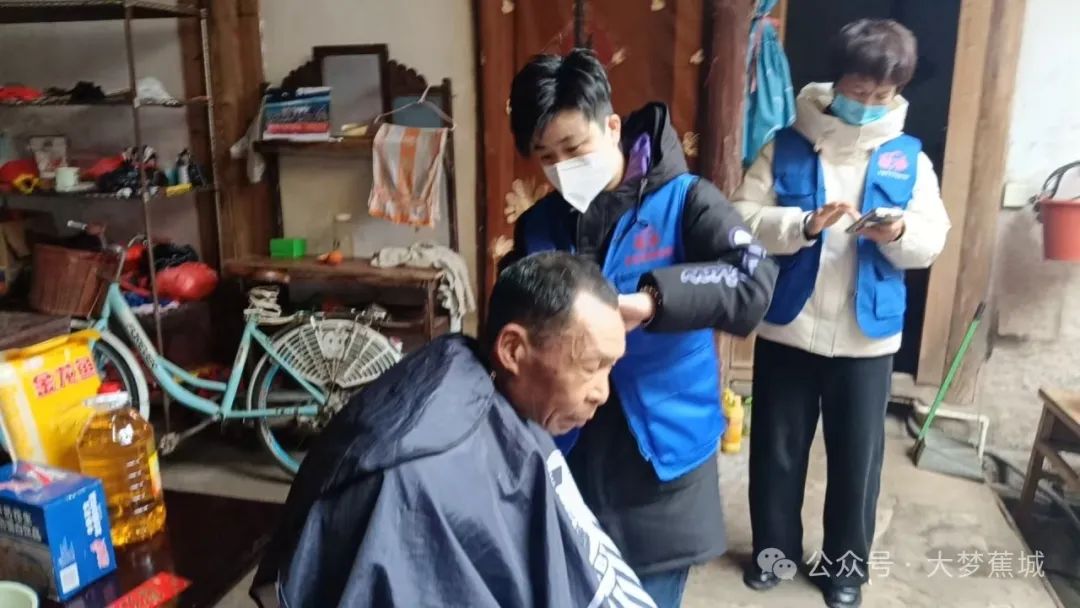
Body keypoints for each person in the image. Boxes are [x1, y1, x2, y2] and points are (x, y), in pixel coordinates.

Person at [502, 49, 778, 607]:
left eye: (574, 148)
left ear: (611, 126)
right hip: (569, 451)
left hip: (661, 451)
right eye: (546, 157)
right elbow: (508, 325)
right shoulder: (539, 226)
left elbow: (754, 280)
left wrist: (652, 301)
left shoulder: (685, 200)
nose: (561, 168)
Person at [250, 251, 660, 608]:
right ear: (512, 349)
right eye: (591, 366)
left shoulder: (479, 377)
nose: (602, 392)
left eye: (610, 366)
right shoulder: (418, 476)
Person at [734, 19, 950, 608]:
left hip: (867, 338)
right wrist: (802, 224)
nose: (868, 103)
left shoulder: (909, 159)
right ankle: (773, 554)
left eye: (882, 94)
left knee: (858, 463)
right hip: (790, 325)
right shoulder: (785, 144)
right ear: (836, 83)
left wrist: (897, 231)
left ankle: (845, 570)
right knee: (777, 453)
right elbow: (742, 218)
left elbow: (933, 238)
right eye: (858, 91)